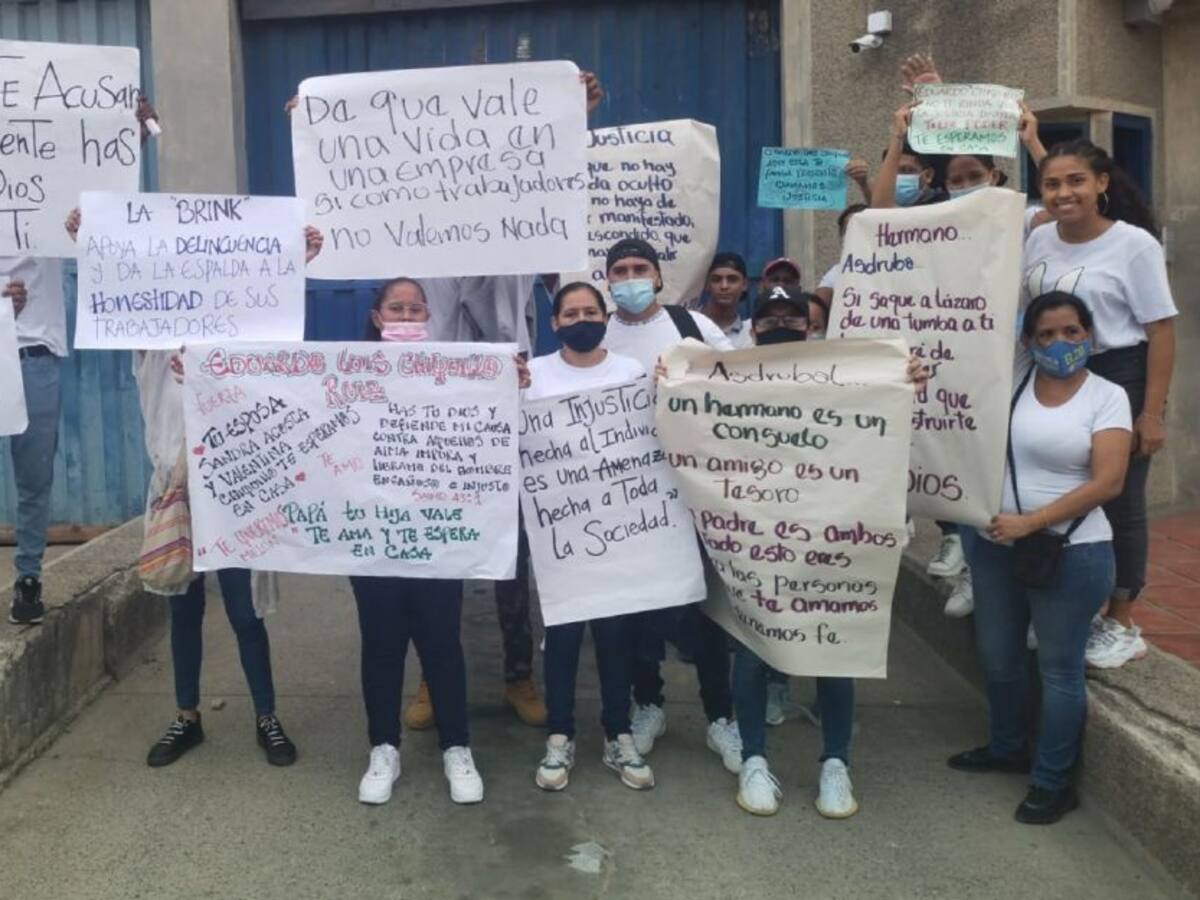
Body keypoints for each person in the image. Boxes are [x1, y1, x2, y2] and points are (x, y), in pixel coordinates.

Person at [63, 207, 324, 768]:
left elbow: (270, 311)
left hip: (235, 490)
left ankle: (267, 716)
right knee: (182, 608)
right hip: (177, 492)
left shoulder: (243, 340)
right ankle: (186, 716)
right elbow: (115, 296)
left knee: (244, 612)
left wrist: (292, 259)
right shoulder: (152, 344)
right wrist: (93, 243)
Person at [728, 286, 928, 817]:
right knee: (751, 650)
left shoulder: (843, 377)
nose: (778, 325)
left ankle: (835, 763)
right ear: (753, 329)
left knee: (832, 646)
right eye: (768, 318)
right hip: (757, 540)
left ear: (809, 327)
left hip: (827, 538)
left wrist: (905, 382)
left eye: (789, 317)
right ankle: (752, 758)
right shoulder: (725, 379)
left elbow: (881, 423)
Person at [949, 291, 1131, 824]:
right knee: (1000, 658)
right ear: (1028, 342)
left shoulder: (1107, 397)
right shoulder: (1014, 387)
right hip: (995, 547)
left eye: (1072, 333)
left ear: (1090, 337)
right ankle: (1007, 747)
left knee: (1058, 670)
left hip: (1071, 552)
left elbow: (1110, 481)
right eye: (1046, 335)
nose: (1059, 344)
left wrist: (1032, 521)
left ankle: (1053, 781)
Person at [353, 276, 534, 805]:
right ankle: (382, 748)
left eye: (416, 309)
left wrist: (513, 382)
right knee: (381, 646)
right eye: (397, 308)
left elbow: (492, 416)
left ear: (429, 317)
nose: (407, 317)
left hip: (436, 536)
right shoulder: (344, 369)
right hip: (372, 538)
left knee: (441, 644)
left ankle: (457, 747)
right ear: (377, 316)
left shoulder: (455, 373)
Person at [6, 95, 160, 626]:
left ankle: (28, 576)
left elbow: (104, 186)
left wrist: (134, 132)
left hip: (36, 356)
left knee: (34, 479)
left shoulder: (47, 194)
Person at [1023, 139, 1177, 669]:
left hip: (1119, 371)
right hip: (1054, 371)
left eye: (1077, 181)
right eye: (1052, 183)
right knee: (1064, 488)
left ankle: (1121, 620)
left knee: (1120, 498)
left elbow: (1160, 329)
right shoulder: (1039, 237)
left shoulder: (1134, 245)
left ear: (1102, 185)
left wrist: (1151, 412)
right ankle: (1074, 610)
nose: (1065, 193)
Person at [600, 237, 743, 773]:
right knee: (638, 610)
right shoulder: (600, 332)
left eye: (641, 268)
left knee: (700, 608)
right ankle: (649, 704)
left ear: (659, 277)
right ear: (607, 279)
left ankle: (720, 716)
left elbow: (745, 390)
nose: (631, 278)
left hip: (690, 493)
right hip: (625, 496)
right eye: (620, 270)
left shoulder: (694, 328)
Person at [525, 281, 655, 792]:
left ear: (605, 316)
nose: (581, 318)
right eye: (570, 312)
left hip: (621, 530)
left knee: (615, 639)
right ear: (554, 323)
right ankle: (560, 734)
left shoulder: (631, 372)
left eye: (589, 310)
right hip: (559, 533)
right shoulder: (532, 375)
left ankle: (617, 732)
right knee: (561, 638)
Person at [699, 252, 753, 348]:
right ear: (706, 284)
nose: (724, 286)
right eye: (716, 279)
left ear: (744, 285)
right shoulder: (689, 324)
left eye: (732, 279)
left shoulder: (751, 335)